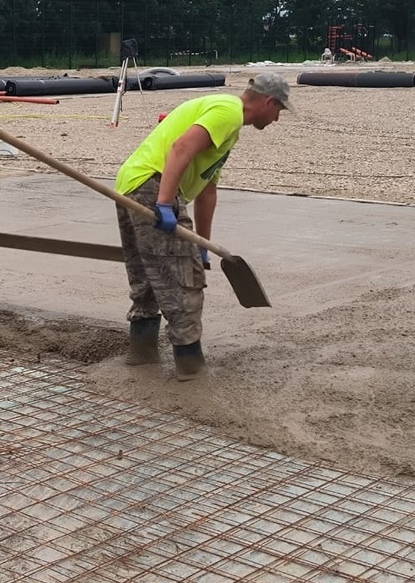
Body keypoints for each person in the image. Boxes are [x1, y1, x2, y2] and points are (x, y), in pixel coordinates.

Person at [114, 72, 293, 380]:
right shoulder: (228, 111)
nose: (277, 119)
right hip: (153, 185)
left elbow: (207, 189)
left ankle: (141, 353)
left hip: (132, 182)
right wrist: (165, 202)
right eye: (279, 110)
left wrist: (201, 243)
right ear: (269, 101)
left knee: (147, 272)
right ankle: (190, 365)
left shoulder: (226, 121)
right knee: (183, 277)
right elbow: (182, 148)